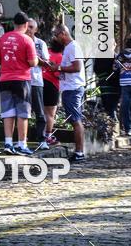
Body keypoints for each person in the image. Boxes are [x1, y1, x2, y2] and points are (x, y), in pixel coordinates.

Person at [0, 12, 38, 156]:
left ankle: (8, 143)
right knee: (22, 113)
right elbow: (32, 62)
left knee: (8, 112)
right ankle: (21, 145)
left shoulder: (2, 38)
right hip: (22, 80)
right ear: (26, 24)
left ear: (14, 23)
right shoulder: (27, 40)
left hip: (5, 79)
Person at [51, 24, 86, 162]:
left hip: (73, 88)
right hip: (69, 87)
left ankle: (79, 152)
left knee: (76, 120)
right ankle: (79, 151)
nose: (55, 38)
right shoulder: (68, 48)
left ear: (63, 34)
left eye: (56, 35)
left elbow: (77, 67)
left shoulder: (73, 47)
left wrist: (59, 68)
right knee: (74, 120)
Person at [26, 18, 50, 149]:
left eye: (31, 27)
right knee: (22, 112)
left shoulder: (40, 43)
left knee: (39, 112)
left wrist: (33, 55)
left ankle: (42, 139)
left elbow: (46, 63)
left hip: (36, 81)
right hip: (21, 80)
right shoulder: (20, 41)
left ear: (36, 29)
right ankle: (22, 140)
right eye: (27, 26)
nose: (28, 29)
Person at [42, 36, 63, 146]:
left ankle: (40, 135)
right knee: (50, 114)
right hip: (52, 85)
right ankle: (48, 137)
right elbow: (57, 74)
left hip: (40, 83)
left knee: (41, 112)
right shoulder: (59, 56)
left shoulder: (46, 52)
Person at [93, 49, 121, 125]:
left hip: (103, 83)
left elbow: (95, 69)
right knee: (112, 107)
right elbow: (117, 69)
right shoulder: (114, 55)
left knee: (107, 107)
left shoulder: (98, 56)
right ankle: (113, 125)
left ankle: (108, 125)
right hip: (113, 84)